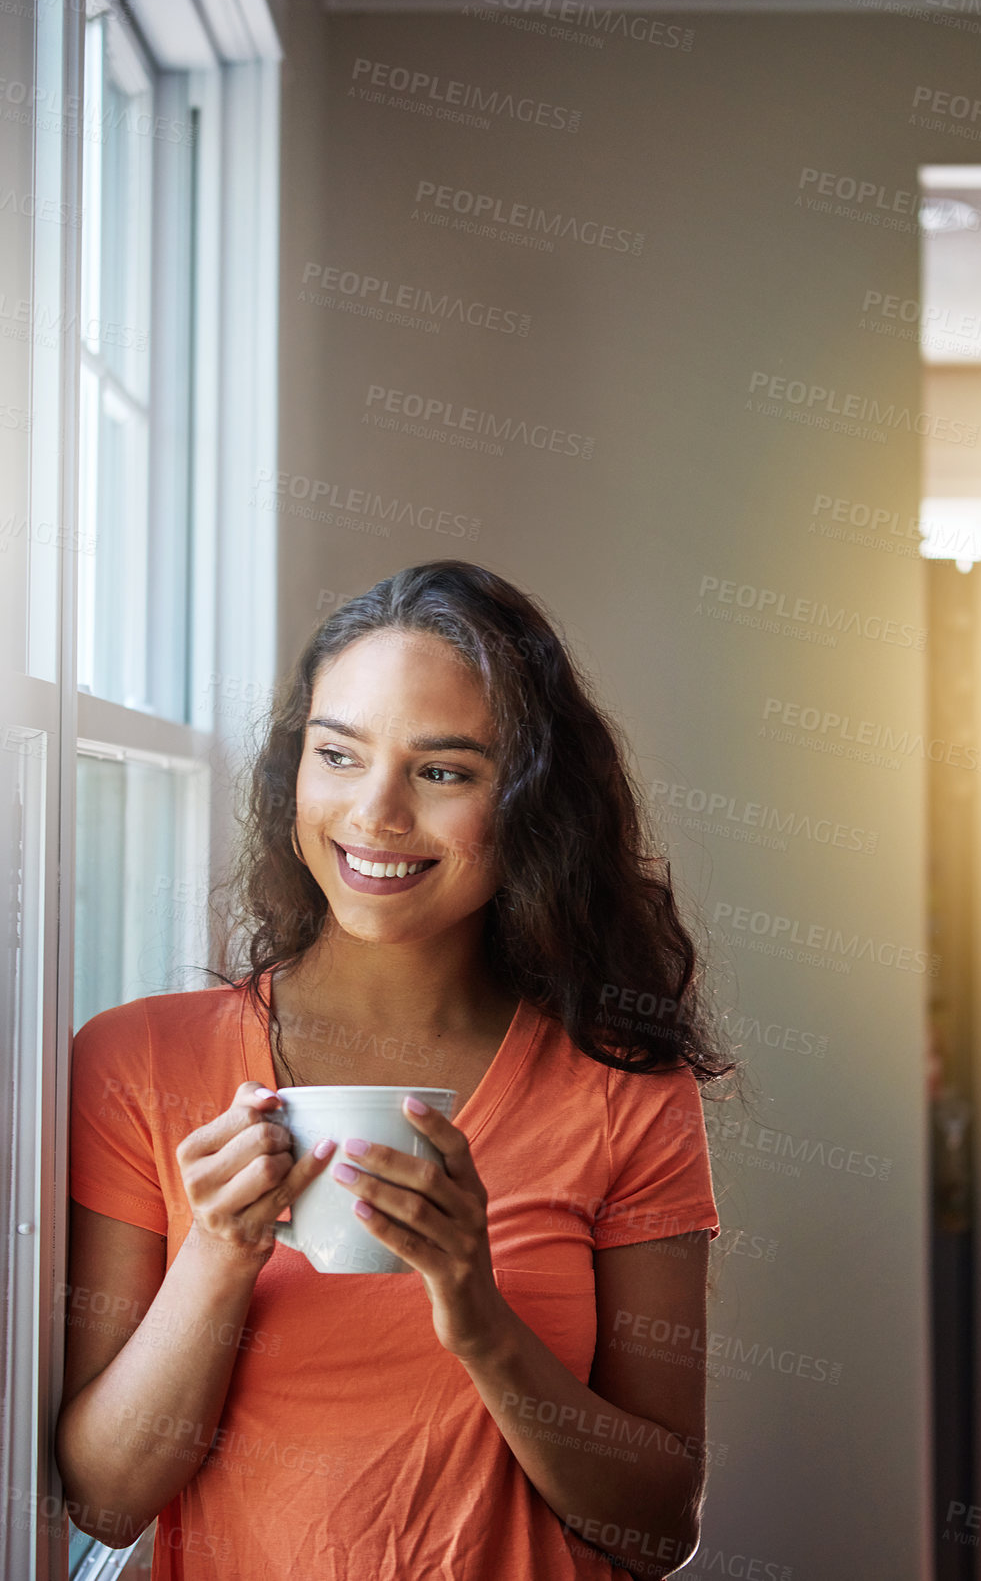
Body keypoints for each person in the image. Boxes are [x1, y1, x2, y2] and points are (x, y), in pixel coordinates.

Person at [57, 560, 736, 1580]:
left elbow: (657, 1528)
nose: (374, 812)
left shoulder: (623, 1091)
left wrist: (479, 1315)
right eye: (338, 754)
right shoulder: (134, 1061)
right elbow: (106, 1502)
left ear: (529, 806)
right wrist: (218, 1253)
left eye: (443, 771)